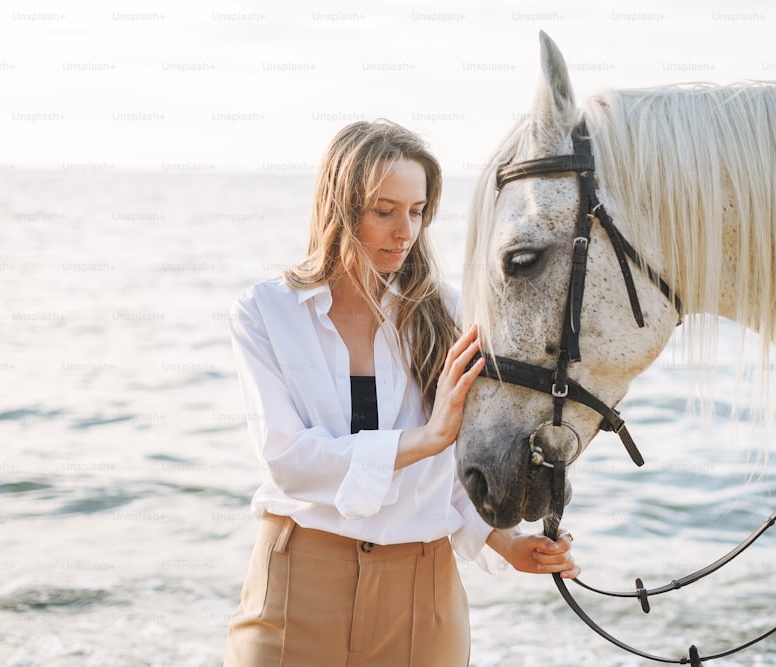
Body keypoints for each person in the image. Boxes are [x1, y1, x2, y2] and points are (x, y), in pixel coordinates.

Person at [223, 119, 578, 666]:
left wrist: (503, 541)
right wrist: (426, 437)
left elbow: (459, 466)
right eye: (383, 211)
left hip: (422, 589)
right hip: (299, 582)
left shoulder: (452, 313)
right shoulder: (265, 313)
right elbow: (289, 461)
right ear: (340, 209)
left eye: (417, 211)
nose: (404, 231)